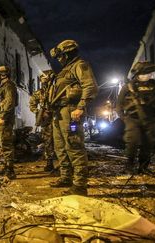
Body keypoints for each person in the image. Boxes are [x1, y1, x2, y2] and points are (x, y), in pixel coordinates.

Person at [49, 40, 98, 196]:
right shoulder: (66, 70)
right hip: (59, 112)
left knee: (74, 146)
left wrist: (80, 107)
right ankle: (66, 177)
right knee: (60, 147)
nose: (59, 59)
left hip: (71, 111)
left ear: (67, 53)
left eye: (60, 56)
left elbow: (90, 86)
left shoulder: (79, 65)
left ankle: (79, 185)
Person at [116, 61, 155, 174]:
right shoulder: (128, 87)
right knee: (132, 142)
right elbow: (119, 104)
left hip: (151, 119)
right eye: (146, 73)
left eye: (150, 73)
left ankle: (143, 167)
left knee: (148, 143)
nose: (149, 75)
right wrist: (124, 118)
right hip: (133, 119)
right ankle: (129, 166)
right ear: (138, 74)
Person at [0, 66, 18, 179]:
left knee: (6, 144)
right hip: (0, 119)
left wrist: (3, 117)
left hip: (5, 120)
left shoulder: (9, 85)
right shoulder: (3, 87)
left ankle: (10, 170)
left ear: (2, 75)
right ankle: (6, 166)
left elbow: (10, 102)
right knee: (2, 144)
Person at [29, 70, 56, 172]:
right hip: (46, 120)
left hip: (58, 118)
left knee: (60, 140)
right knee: (48, 141)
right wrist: (39, 112)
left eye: (46, 79)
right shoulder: (39, 93)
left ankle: (65, 164)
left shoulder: (56, 90)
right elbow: (32, 105)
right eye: (42, 79)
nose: (44, 81)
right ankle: (50, 162)